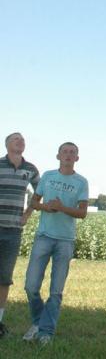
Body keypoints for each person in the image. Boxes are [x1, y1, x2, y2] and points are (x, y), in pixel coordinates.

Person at [23, 142, 88, 346]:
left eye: (72, 153)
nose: (68, 155)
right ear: (58, 156)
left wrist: (62, 208)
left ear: (77, 158)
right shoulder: (48, 176)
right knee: (31, 286)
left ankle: (46, 333)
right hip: (44, 236)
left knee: (56, 290)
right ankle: (38, 322)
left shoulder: (81, 182)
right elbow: (34, 202)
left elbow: (83, 212)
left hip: (65, 241)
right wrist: (46, 207)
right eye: (65, 152)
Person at [0, 132, 40, 338]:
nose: (21, 141)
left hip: (13, 230)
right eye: (16, 138)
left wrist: (27, 214)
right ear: (7, 145)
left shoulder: (30, 169)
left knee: (4, 278)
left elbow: (40, 192)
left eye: (23, 139)